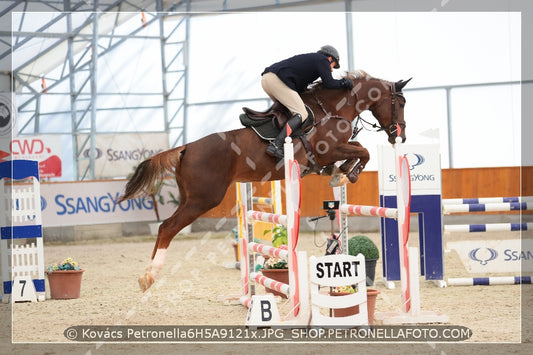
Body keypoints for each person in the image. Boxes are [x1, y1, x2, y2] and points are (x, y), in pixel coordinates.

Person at [261, 45, 354, 159]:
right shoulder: (322, 60)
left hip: (268, 80)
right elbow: (329, 83)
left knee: (288, 113)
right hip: (276, 80)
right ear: (330, 59)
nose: (331, 69)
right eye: (333, 66)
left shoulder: (312, 61)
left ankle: (271, 139)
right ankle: (276, 145)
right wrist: (344, 83)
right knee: (301, 113)